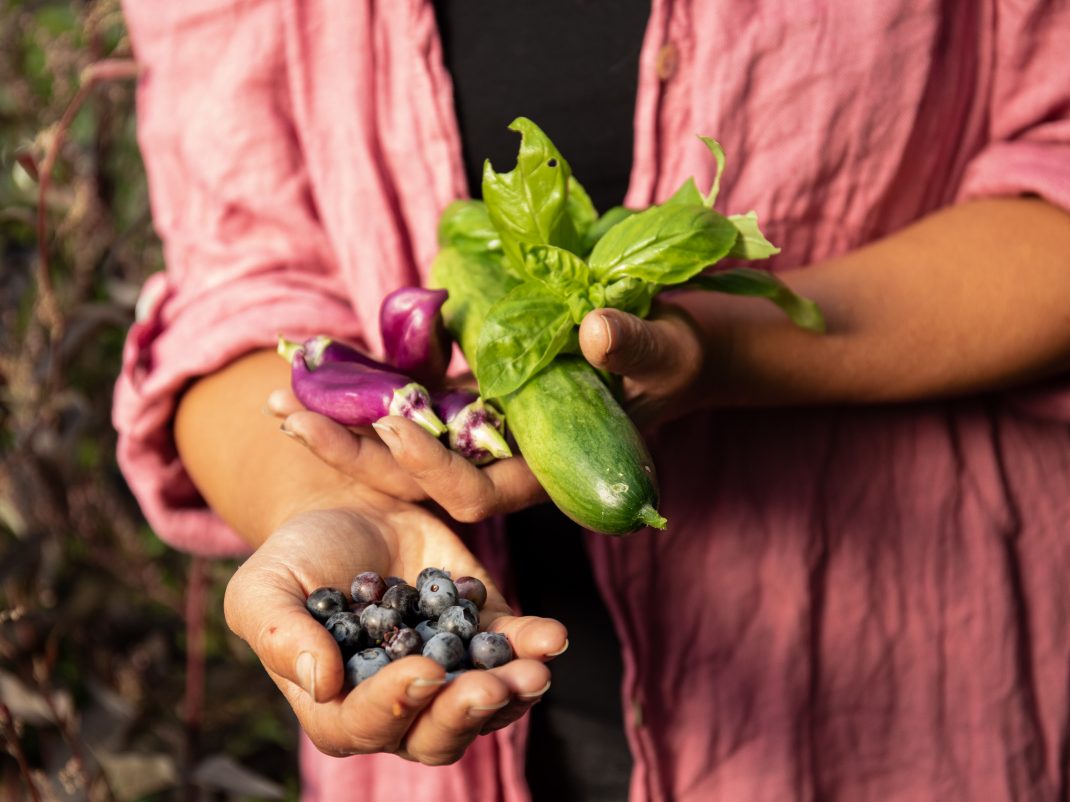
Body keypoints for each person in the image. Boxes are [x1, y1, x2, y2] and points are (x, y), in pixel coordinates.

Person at [113, 1, 1070, 800]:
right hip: (459, 747)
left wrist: (722, 350)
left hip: (896, 688)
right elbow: (231, 294)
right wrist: (317, 499)